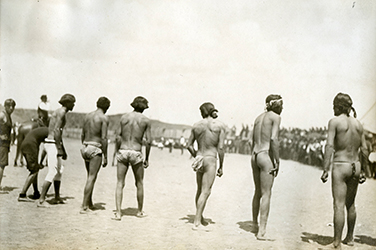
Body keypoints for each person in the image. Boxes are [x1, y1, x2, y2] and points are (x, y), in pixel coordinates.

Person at [321, 93, 368, 249]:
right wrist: (364, 170)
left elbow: (329, 146)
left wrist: (325, 168)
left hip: (341, 165)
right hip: (355, 165)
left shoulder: (334, 122)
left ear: (337, 106)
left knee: (338, 205)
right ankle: (350, 238)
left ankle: (336, 243)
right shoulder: (358, 124)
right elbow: (365, 149)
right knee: (351, 205)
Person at [187, 102, 225, 231]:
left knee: (199, 190)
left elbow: (188, 145)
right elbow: (220, 148)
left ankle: (200, 216)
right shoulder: (219, 126)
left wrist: (196, 157)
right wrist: (221, 165)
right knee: (206, 191)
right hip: (210, 158)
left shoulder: (196, 125)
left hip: (200, 157)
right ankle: (197, 221)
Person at [113, 96, 151, 221]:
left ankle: (118, 213)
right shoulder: (145, 120)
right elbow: (149, 141)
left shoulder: (124, 118)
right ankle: (139, 211)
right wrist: (147, 158)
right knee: (139, 183)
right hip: (136, 151)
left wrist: (118, 150)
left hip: (123, 150)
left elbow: (118, 137)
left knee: (120, 183)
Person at [251, 94, 283, 240]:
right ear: (276, 105)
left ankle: (254, 224)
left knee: (257, 191)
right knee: (266, 193)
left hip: (255, 154)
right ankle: (262, 231)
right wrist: (276, 160)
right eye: (281, 105)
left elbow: (251, 140)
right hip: (265, 155)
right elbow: (273, 139)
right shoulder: (275, 117)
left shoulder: (258, 118)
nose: (282, 107)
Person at [37, 94, 76, 207]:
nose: (73, 105)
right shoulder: (62, 112)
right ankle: (41, 200)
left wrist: (62, 149)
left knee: (59, 171)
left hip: (53, 142)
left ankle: (57, 197)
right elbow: (57, 131)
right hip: (52, 143)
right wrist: (59, 148)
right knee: (53, 171)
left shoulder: (58, 111)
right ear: (67, 103)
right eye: (72, 103)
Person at [80, 97, 110, 214]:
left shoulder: (88, 116)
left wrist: (84, 145)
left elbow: (82, 134)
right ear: (107, 107)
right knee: (92, 177)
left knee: (89, 177)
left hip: (85, 146)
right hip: (95, 147)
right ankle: (84, 206)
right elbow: (104, 138)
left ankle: (89, 202)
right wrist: (105, 156)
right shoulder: (104, 118)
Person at [18, 127, 49, 201]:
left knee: (35, 169)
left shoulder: (44, 130)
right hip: (30, 146)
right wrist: (41, 162)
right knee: (34, 171)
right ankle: (22, 194)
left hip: (26, 145)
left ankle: (36, 192)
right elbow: (45, 149)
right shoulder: (51, 132)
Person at [0, 99, 16, 193]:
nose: (12, 108)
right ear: (5, 106)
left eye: (13, 106)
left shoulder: (8, 116)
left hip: (5, 144)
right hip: (1, 143)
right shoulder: (2, 115)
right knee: (1, 165)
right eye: (9, 106)